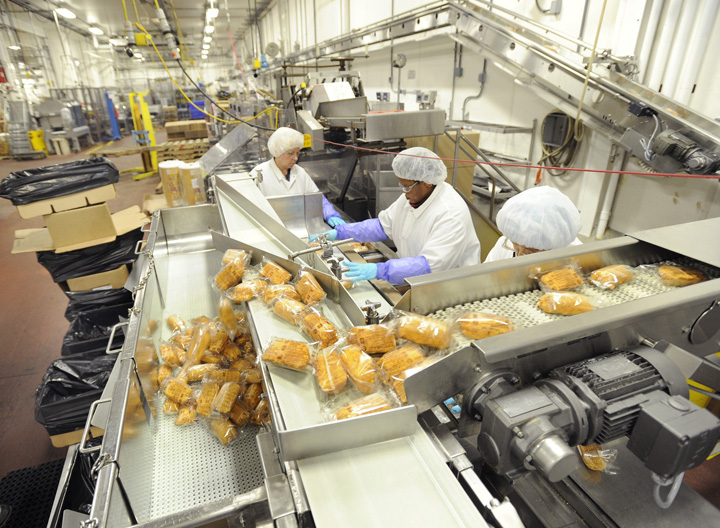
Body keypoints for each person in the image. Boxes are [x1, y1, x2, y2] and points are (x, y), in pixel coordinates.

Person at [310, 147, 481, 284]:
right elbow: (381, 226)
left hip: (449, 288)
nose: (404, 192)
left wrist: (381, 270)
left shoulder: (450, 213)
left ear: (428, 182)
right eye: (401, 185)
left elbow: (429, 266)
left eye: (407, 186)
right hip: (417, 280)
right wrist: (342, 233)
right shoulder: (412, 196)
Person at [250, 127, 345, 227]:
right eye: (290, 153)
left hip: (300, 228)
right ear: (277, 151)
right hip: (273, 231)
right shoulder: (258, 174)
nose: (295, 158)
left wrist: (330, 214)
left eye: (297, 153)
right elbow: (251, 211)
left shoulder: (299, 172)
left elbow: (316, 198)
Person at [484, 186, 582, 262]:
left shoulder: (576, 257)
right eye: (515, 244)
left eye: (530, 249)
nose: (520, 253)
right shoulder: (505, 244)